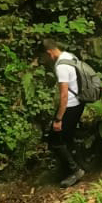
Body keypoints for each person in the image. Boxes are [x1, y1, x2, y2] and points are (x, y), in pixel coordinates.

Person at [43, 39, 86, 188]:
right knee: (68, 136)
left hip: (70, 105)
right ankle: (79, 164)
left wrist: (58, 119)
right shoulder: (69, 56)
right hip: (80, 102)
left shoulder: (61, 66)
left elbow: (64, 95)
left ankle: (75, 170)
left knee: (55, 140)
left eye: (44, 58)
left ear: (49, 53)